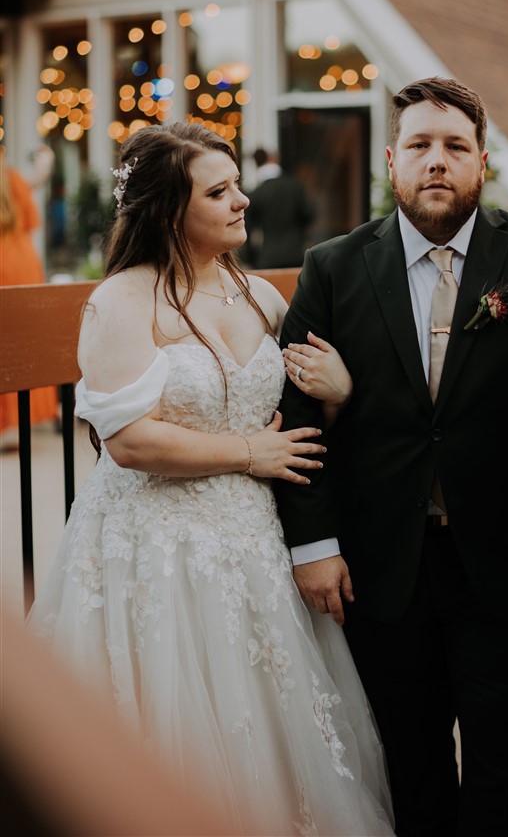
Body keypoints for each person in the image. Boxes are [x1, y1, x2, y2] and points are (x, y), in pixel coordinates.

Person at [277, 77, 508, 837]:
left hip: (505, 567)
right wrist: (313, 545)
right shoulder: (332, 267)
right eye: (419, 145)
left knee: (504, 770)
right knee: (409, 768)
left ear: (483, 161)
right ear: (392, 161)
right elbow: (293, 417)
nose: (437, 160)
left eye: (455, 146)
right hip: (381, 571)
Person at [27, 122, 394, 836]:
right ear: (170, 210)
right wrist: (250, 454)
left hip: (254, 544)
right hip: (155, 551)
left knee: (274, 723)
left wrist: (341, 390)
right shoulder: (121, 302)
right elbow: (130, 442)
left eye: (237, 185)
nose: (243, 201)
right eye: (219, 191)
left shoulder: (262, 297)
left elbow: (301, 405)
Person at [0, 146, 59, 448]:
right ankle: (14, 423)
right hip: (19, 263)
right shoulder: (12, 180)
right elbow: (30, 223)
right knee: (20, 341)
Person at [245, 147, 315, 268]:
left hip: (267, 257)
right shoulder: (294, 186)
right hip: (295, 254)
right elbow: (309, 213)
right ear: (274, 159)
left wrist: (249, 258)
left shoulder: (256, 193)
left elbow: (248, 227)